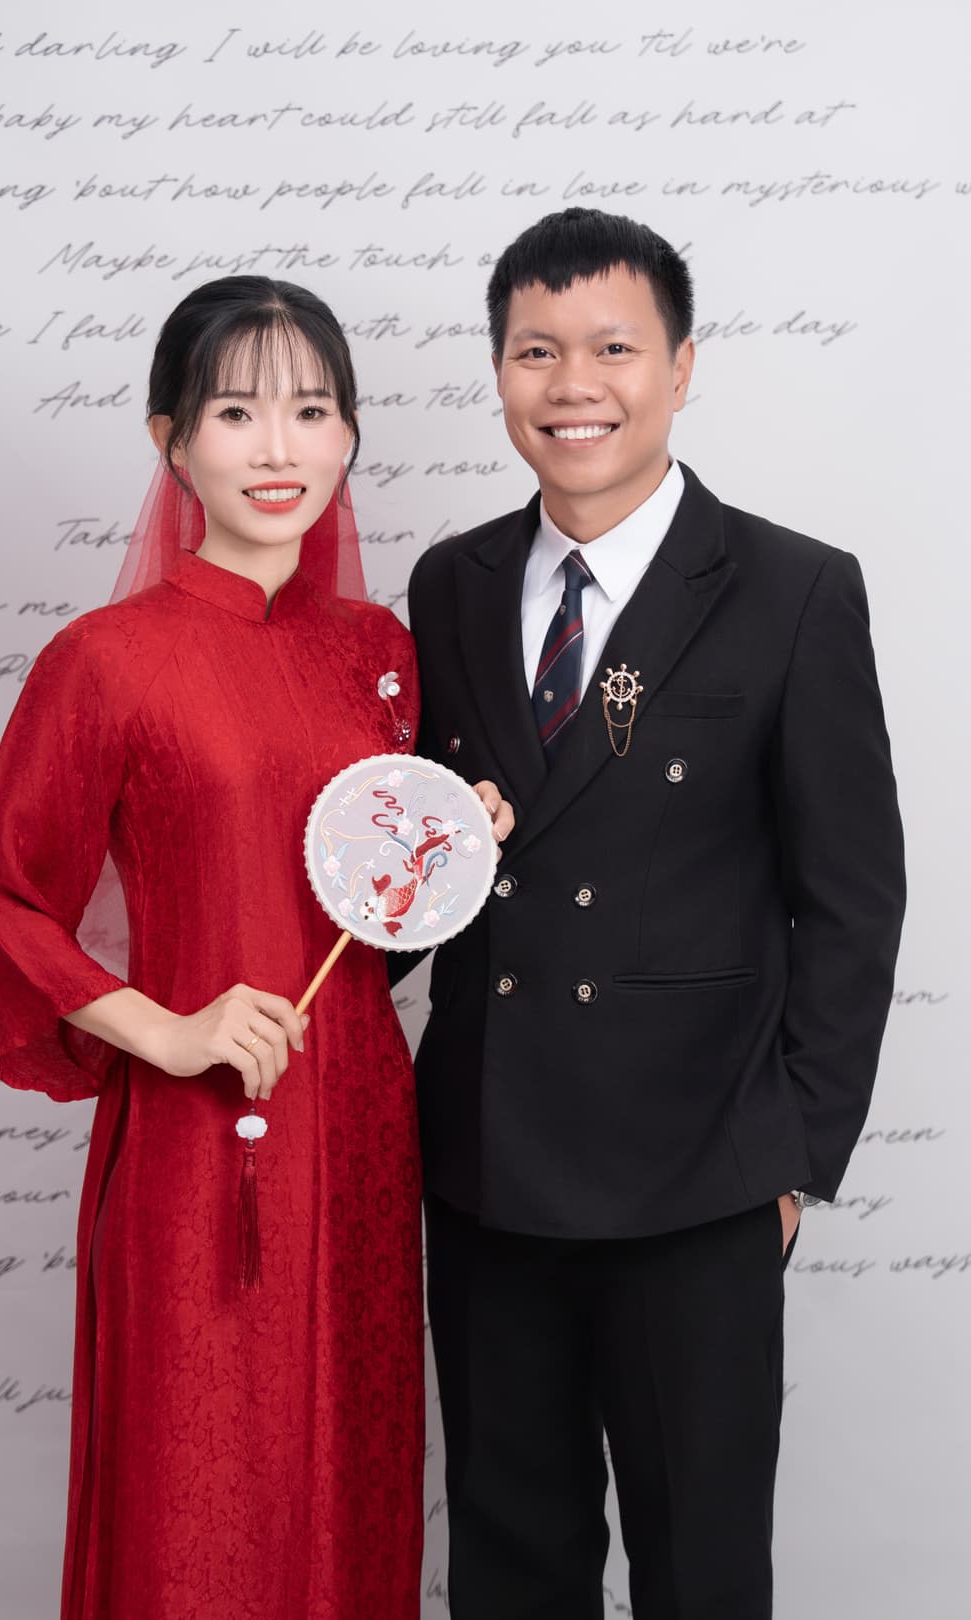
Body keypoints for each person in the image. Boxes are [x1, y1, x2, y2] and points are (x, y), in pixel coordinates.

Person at [0, 275, 512, 1620]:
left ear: (349, 438)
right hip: (205, 1143)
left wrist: (456, 842)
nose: (278, 449)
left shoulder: (383, 654)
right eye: (237, 412)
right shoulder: (106, 661)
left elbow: (381, 905)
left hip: (365, 1132)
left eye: (312, 412)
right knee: (201, 1497)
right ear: (169, 439)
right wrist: (171, 1028)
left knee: (352, 1483)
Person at [405, 210, 905, 1620]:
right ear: (499, 371)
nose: (575, 384)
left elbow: (853, 899)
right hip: (490, 1162)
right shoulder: (449, 584)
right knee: (512, 1557)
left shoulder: (794, 587)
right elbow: (432, 856)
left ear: (682, 366)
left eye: (614, 347)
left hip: (702, 1174)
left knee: (700, 1568)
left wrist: (794, 1158)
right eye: (536, 351)